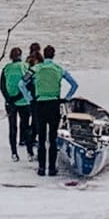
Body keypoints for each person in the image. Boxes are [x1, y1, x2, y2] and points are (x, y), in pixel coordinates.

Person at [28, 45, 78, 176]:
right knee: (52, 138)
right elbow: (74, 84)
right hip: (54, 104)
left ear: (44, 55)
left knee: (41, 137)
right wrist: (66, 98)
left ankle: (41, 168)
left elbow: (22, 83)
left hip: (40, 104)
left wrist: (30, 98)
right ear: (54, 55)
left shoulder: (36, 69)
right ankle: (51, 168)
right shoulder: (59, 69)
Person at [0, 47, 32, 162]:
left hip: (10, 103)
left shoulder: (6, 68)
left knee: (12, 127)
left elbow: (2, 86)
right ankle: (29, 152)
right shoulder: (26, 66)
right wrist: (19, 96)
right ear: (21, 55)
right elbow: (28, 83)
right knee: (26, 126)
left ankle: (14, 153)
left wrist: (9, 98)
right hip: (24, 101)